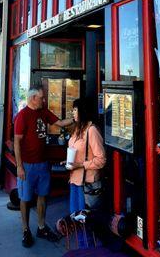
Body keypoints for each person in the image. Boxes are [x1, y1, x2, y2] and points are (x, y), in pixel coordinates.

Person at [14, 86, 74, 248]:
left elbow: (60, 123)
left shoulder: (44, 112)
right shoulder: (22, 116)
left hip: (43, 164)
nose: (44, 100)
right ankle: (26, 230)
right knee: (25, 199)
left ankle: (41, 227)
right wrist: (19, 166)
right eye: (41, 98)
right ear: (33, 98)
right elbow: (17, 142)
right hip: (27, 165)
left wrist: (76, 118)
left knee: (43, 196)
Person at [66, 98, 106, 248]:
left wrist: (80, 165)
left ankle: (90, 251)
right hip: (75, 182)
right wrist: (70, 163)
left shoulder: (92, 130)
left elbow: (101, 160)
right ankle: (83, 250)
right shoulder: (78, 129)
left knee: (86, 224)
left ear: (82, 111)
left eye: (75, 110)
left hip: (87, 185)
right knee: (76, 220)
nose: (73, 113)